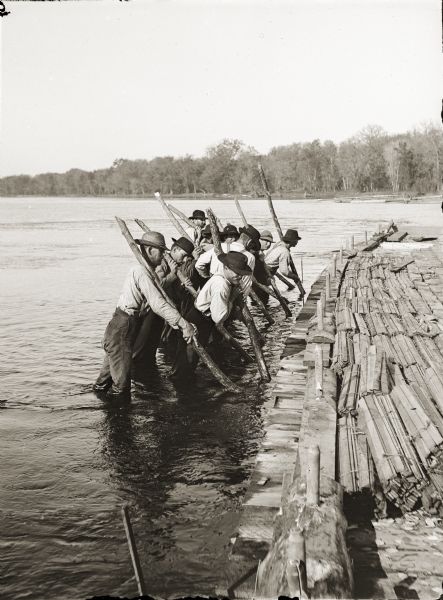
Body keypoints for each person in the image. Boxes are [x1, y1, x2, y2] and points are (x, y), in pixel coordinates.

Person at [93, 231, 195, 398]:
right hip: (122, 327)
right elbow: (158, 304)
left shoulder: (148, 272)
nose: (163, 255)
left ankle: (99, 409)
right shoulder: (141, 272)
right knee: (122, 387)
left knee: (104, 382)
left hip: (123, 326)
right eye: (161, 251)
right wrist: (184, 324)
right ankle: (118, 421)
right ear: (148, 251)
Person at [171, 251, 251, 381]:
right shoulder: (221, 285)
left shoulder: (223, 279)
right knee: (187, 360)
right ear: (226, 268)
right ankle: (181, 387)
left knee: (190, 359)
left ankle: (184, 385)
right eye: (236, 272)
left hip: (201, 317)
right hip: (198, 320)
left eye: (241, 273)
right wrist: (233, 298)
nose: (239, 276)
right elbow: (218, 318)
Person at [132, 236, 196, 381]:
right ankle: (137, 373)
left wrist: (182, 283)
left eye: (188, 257)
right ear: (175, 250)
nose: (185, 259)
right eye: (183, 255)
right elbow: (158, 284)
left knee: (152, 344)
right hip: (152, 311)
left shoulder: (173, 265)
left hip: (161, 312)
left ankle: (146, 374)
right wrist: (174, 276)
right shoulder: (163, 264)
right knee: (142, 345)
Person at [195, 224, 255, 295]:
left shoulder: (218, 247)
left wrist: (206, 276)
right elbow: (246, 283)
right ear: (249, 242)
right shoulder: (250, 257)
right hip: (233, 293)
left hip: (213, 286)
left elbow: (198, 264)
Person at [264, 228, 305, 297]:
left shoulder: (279, 244)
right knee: (264, 296)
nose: (297, 242)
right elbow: (284, 271)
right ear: (292, 241)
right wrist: (295, 277)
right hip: (264, 274)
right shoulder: (284, 251)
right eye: (296, 240)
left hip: (262, 270)